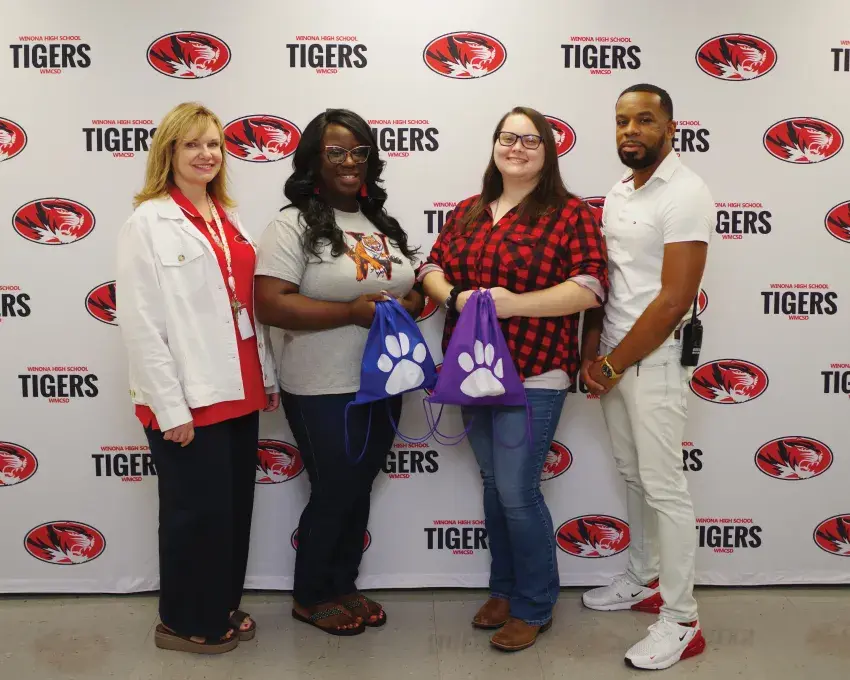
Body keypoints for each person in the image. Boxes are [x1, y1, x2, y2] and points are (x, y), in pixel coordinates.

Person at [419, 106, 608, 651]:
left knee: (518, 492)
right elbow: (430, 268)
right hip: (473, 371)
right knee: (492, 485)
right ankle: (503, 589)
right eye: (508, 138)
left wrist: (514, 304)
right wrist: (454, 297)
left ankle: (534, 604)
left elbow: (590, 287)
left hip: (535, 370)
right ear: (495, 145)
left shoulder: (571, 213)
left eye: (530, 140)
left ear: (547, 151)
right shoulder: (468, 211)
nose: (517, 148)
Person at [116, 102, 279, 654]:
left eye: (213, 144)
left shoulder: (226, 215)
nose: (206, 154)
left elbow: (244, 305)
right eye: (192, 144)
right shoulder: (147, 222)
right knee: (194, 514)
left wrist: (266, 377)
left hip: (239, 387)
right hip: (188, 396)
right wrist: (170, 408)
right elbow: (141, 323)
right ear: (169, 151)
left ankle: (219, 604)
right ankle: (184, 620)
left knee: (230, 512)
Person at [254, 108, 424, 636]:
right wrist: (351, 312)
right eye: (335, 152)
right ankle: (311, 595)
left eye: (359, 151)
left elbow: (409, 289)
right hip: (322, 385)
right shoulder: (292, 224)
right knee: (335, 488)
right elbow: (271, 303)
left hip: (384, 382)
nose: (349, 162)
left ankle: (343, 584)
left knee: (358, 486)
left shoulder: (379, 223)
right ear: (314, 160)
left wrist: (408, 304)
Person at [580, 84, 713, 671]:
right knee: (634, 475)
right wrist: (594, 351)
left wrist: (612, 365)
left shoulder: (686, 192)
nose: (630, 131)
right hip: (613, 356)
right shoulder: (620, 189)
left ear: (670, 128)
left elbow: (674, 300)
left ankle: (682, 621)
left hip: (654, 360)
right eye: (621, 121)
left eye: (644, 120)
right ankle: (644, 578)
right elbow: (610, 280)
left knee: (665, 489)